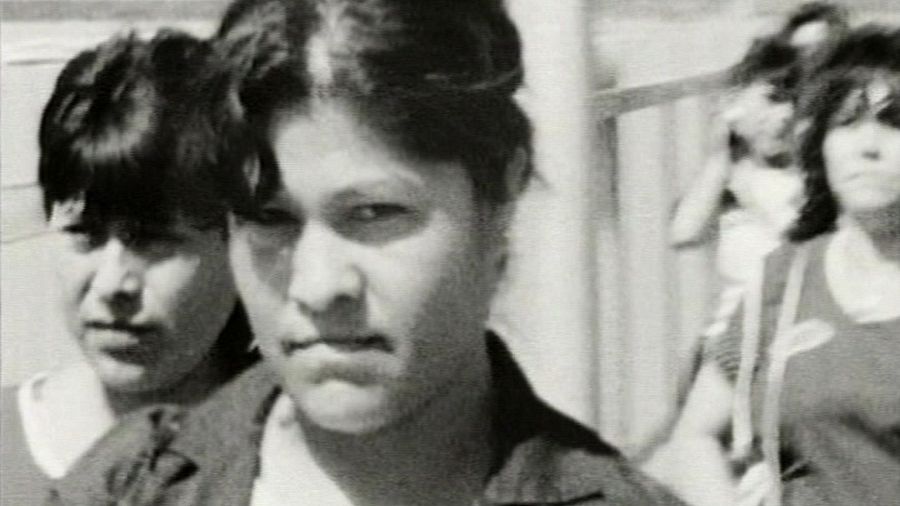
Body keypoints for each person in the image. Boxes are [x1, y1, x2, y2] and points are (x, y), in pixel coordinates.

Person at [44, 0, 686, 505]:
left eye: (375, 213)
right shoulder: (129, 484)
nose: (318, 286)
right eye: (269, 219)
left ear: (501, 193)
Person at [0, 30, 257, 505]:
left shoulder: (296, 458)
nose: (114, 283)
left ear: (239, 240)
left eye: (155, 240)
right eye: (85, 234)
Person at [655, 25, 900, 506]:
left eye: (895, 122)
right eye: (846, 123)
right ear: (818, 144)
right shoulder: (783, 278)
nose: (868, 145)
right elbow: (694, 438)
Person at [668, 2, 850, 340]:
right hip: (731, 337)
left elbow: (808, 254)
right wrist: (722, 154)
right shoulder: (730, 169)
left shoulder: (815, 173)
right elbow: (684, 231)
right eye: (773, 98)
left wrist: (752, 196)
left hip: (796, 338)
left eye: (794, 102)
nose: (782, 117)